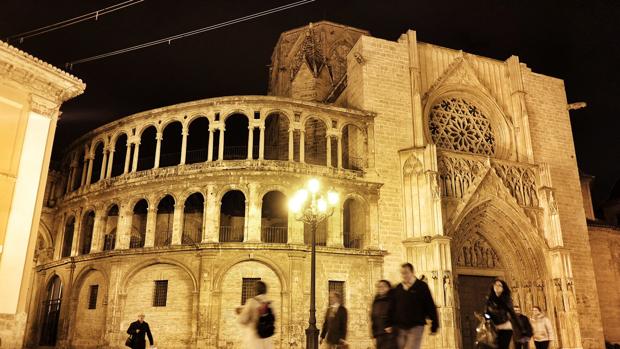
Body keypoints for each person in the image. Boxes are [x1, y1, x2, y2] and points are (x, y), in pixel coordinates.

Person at [388, 263, 439, 349]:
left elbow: (429, 305)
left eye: (406, 272)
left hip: (416, 325)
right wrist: (388, 323)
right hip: (400, 326)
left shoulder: (421, 286)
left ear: (412, 272)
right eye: (402, 273)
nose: (404, 275)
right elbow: (392, 307)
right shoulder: (398, 288)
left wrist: (435, 324)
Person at [236, 280, 274, 349]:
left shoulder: (251, 302)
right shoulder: (270, 303)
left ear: (256, 290)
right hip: (268, 338)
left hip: (255, 338)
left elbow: (242, 320)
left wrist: (241, 312)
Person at [485, 279, 520, 349]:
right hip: (494, 328)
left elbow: (512, 313)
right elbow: (486, 313)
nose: (497, 286)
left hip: (505, 327)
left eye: (499, 285)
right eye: (495, 284)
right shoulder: (489, 300)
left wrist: (520, 328)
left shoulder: (507, 300)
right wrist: (487, 318)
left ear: (503, 289)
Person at [371, 280, 397, 349]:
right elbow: (373, 317)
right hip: (379, 333)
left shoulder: (393, 299)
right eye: (379, 286)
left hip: (390, 333)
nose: (381, 288)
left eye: (383, 286)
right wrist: (374, 335)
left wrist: (391, 325)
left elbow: (397, 313)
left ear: (388, 288)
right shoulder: (376, 300)